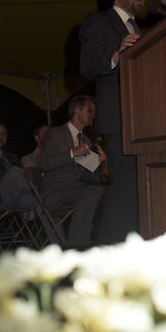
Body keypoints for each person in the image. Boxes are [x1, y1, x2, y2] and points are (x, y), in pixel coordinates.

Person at [79, 0, 146, 244]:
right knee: (124, 188)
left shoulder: (142, 29)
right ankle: (107, 253)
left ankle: (131, 248)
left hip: (145, 119)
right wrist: (117, 55)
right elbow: (86, 67)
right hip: (120, 117)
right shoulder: (99, 21)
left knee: (139, 189)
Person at [40, 95, 106, 248]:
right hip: (55, 191)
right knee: (90, 193)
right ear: (77, 111)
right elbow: (44, 163)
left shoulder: (87, 141)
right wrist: (72, 153)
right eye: (90, 111)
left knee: (103, 189)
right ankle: (76, 247)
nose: (93, 115)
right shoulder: (55, 133)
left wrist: (100, 163)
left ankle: (98, 242)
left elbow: (86, 175)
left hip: (76, 189)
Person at [0, 122, 38, 210]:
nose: (1, 136)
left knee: (42, 201)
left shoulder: (12, 157)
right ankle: (45, 186)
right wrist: (9, 175)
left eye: (4, 134)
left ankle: (55, 223)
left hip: (17, 196)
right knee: (14, 172)